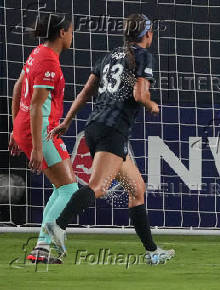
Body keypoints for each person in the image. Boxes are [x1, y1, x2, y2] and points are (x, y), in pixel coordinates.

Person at [44, 13, 175, 265]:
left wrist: (68, 120)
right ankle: (58, 226)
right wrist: (152, 104)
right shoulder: (143, 56)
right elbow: (139, 94)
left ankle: (152, 252)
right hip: (112, 130)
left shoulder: (109, 57)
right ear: (147, 34)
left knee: (137, 189)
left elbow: (84, 93)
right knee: (98, 187)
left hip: (95, 126)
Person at [8, 13, 76, 264]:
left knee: (63, 188)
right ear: (61, 33)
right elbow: (36, 106)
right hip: (41, 130)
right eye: (71, 31)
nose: (72, 36)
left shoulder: (37, 52)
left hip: (28, 128)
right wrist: (37, 147)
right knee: (70, 189)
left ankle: (42, 247)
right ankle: (43, 245)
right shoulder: (48, 60)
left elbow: (17, 87)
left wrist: (16, 129)